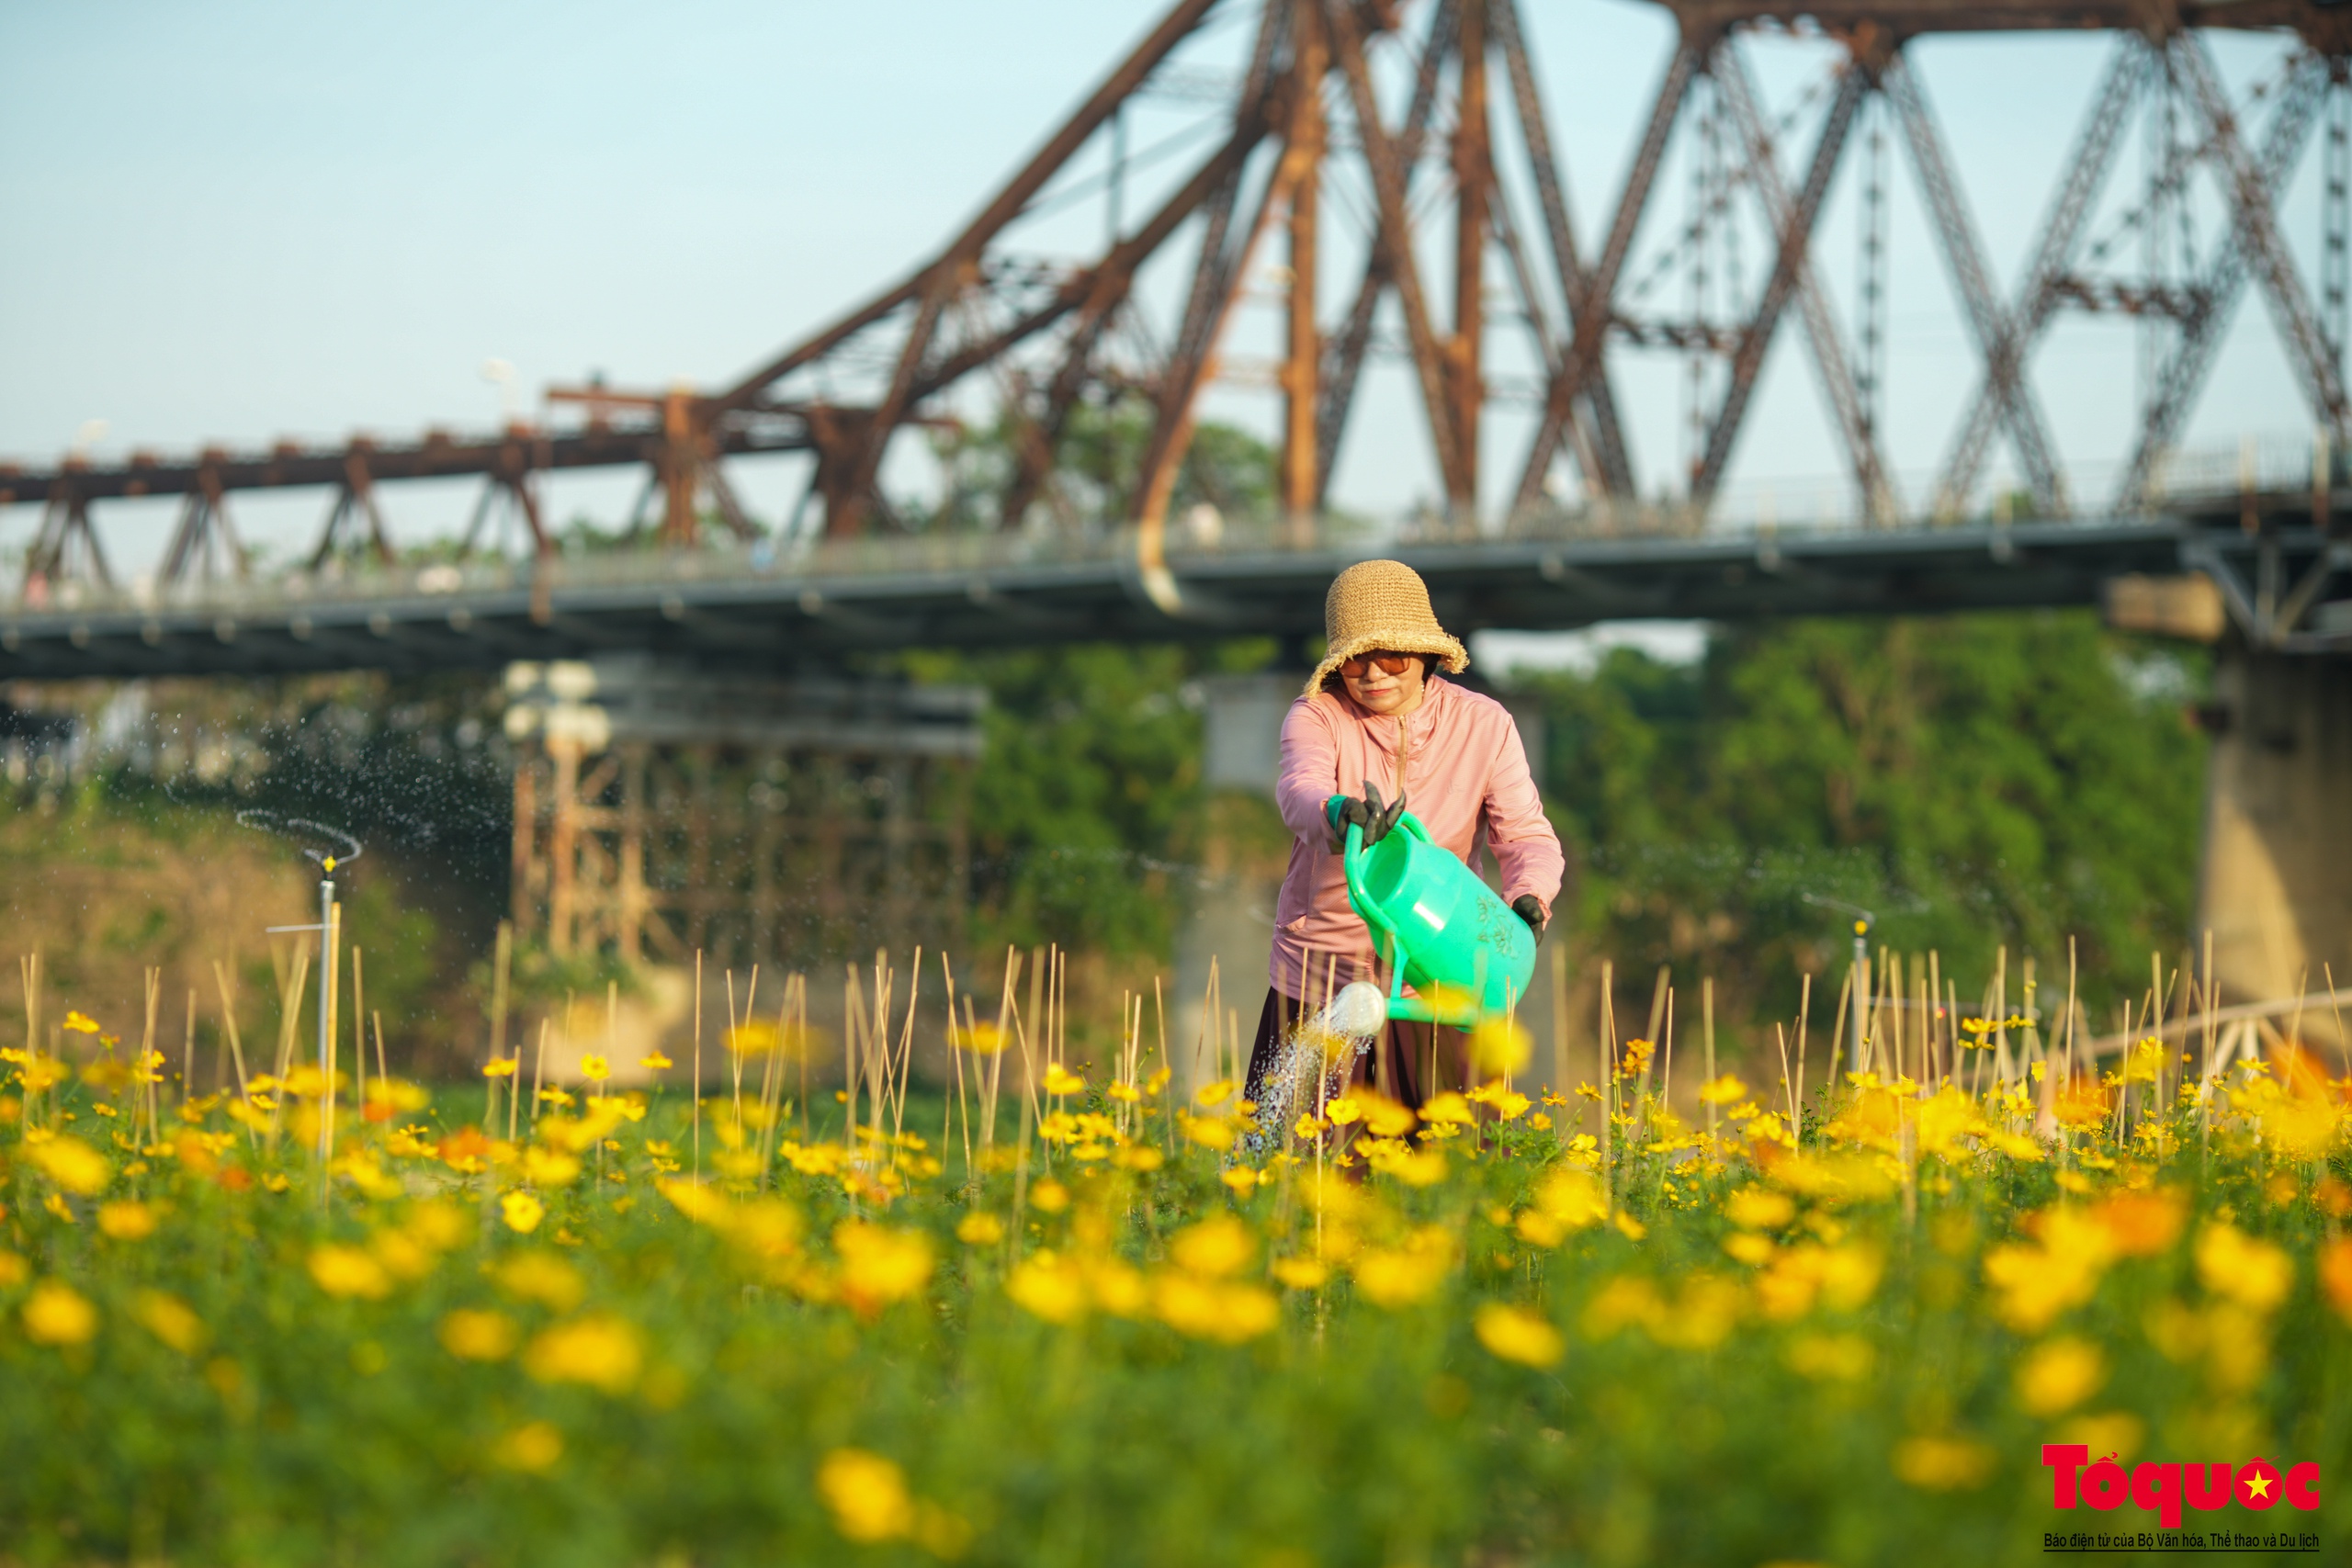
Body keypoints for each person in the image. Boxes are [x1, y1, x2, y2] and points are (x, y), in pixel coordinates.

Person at [1246, 558, 1565, 1111]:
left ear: (1427, 655)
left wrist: (1529, 894)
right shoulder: (1317, 716)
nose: (1373, 675)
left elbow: (1526, 834)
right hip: (1322, 979)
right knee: (1293, 1170)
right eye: (1355, 660)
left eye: (1390, 656)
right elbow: (1300, 789)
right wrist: (1338, 811)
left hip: (1442, 976)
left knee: (1459, 1172)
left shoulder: (1486, 724)